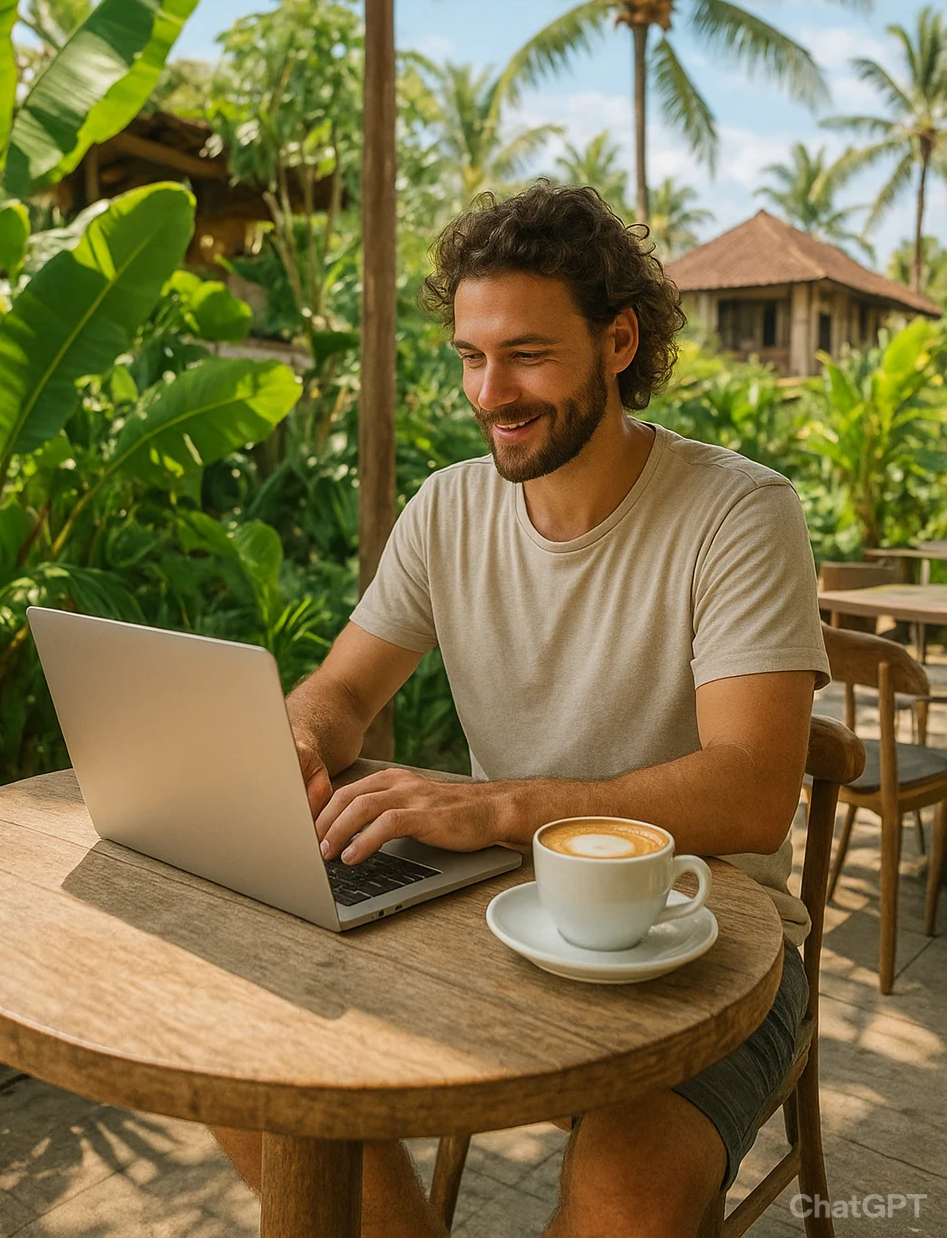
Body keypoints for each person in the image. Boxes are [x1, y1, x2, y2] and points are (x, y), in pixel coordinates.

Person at [213, 182, 829, 1237]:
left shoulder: (738, 513)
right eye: (469, 355)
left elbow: (752, 792)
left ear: (619, 340)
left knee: (622, 1203)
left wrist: (499, 808)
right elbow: (344, 690)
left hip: (709, 948)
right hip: (492, 922)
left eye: (527, 355)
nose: (490, 391)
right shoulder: (448, 506)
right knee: (244, 1070)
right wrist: (303, 735)